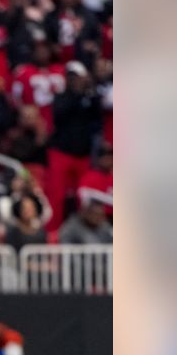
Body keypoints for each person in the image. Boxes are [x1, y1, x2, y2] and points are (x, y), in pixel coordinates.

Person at [45, 61, 102, 234]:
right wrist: (78, 95)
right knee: (57, 197)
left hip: (82, 155)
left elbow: (97, 116)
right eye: (70, 76)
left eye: (77, 77)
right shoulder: (61, 97)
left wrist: (89, 93)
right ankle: (52, 234)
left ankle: (83, 233)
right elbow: (60, 115)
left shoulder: (90, 97)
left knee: (83, 198)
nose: (74, 80)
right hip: (61, 152)